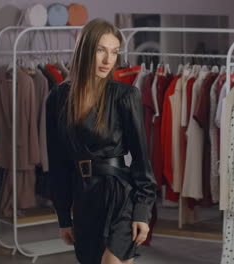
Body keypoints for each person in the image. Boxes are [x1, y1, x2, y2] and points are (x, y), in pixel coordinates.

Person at [46, 18, 157, 264]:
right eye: (101, 50)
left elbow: (141, 161)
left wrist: (142, 212)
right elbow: (57, 165)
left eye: (114, 52)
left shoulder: (125, 95)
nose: (109, 60)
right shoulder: (57, 98)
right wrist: (64, 218)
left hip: (120, 196)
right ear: (85, 50)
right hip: (83, 199)